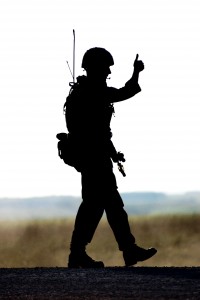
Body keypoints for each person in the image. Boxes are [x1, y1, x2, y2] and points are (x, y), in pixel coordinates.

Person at [63, 47, 157, 268]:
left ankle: (124, 250)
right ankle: (84, 253)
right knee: (101, 206)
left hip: (95, 157)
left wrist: (112, 153)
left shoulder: (88, 92)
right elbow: (125, 93)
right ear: (94, 69)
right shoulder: (91, 93)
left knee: (102, 205)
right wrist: (136, 73)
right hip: (93, 159)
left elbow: (99, 131)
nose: (107, 73)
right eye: (105, 68)